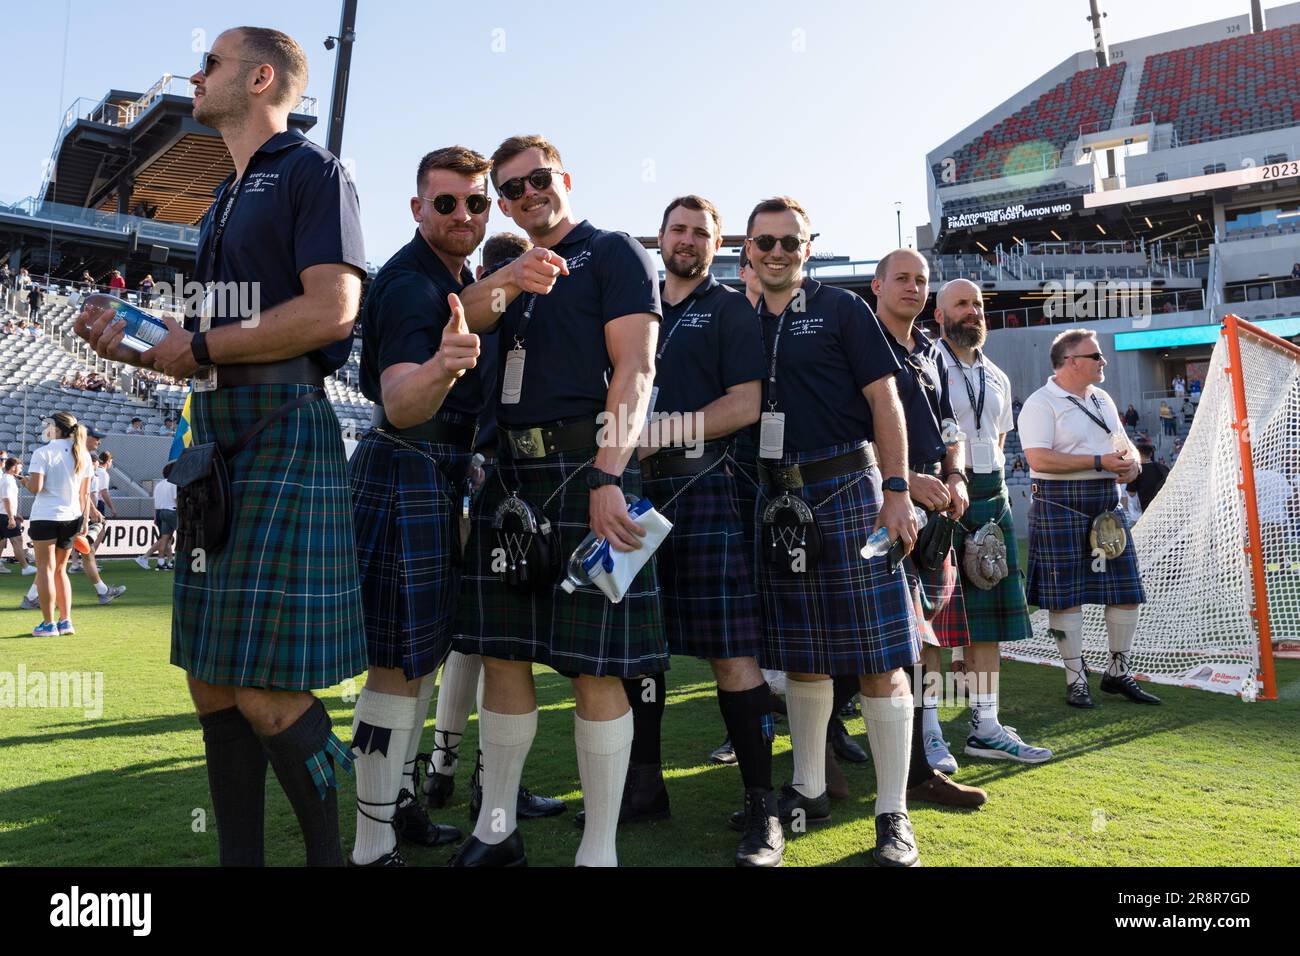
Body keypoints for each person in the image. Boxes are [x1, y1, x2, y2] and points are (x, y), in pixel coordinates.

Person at [77, 25, 368, 867]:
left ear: (262, 76)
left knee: (268, 692)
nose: (196, 77)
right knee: (211, 679)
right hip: (218, 434)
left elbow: (331, 312)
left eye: (209, 65)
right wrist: (137, 341)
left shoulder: (312, 172)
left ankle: (332, 858)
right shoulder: (221, 198)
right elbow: (211, 336)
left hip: (282, 431)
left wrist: (196, 347)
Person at [450, 134, 666, 868]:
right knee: (503, 656)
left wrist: (610, 475)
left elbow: (636, 371)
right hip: (512, 476)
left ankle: (597, 850)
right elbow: (463, 316)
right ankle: (495, 832)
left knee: (596, 668)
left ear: (563, 177)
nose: (525, 195)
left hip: (589, 468)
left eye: (536, 180)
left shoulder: (614, 254)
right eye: (509, 190)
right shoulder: (510, 272)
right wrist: (509, 275)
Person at [744, 196, 921, 867]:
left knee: (879, 660)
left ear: (808, 247)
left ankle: (893, 814)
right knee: (803, 654)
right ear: (750, 250)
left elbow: (886, 399)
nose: (779, 253)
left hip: (851, 490)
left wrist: (898, 491)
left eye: (791, 242)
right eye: (767, 243)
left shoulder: (843, 309)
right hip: (777, 501)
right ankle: (808, 790)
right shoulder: (740, 318)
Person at [602, 194, 777, 866]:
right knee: (640, 652)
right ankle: (643, 785)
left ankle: (762, 807)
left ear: (718, 243)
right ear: (661, 237)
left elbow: (745, 404)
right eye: (678, 229)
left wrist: (654, 435)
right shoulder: (632, 308)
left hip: (705, 492)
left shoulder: (730, 308)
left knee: (732, 653)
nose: (688, 240)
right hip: (637, 490)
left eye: (701, 233)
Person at [346, 144, 506, 866]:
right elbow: (401, 404)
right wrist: (444, 365)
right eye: (446, 202)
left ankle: (399, 805)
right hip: (408, 463)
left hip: (433, 473)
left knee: (419, 659)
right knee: (396, 664)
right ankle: (371, 843)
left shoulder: (453, 277)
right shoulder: (414, 284)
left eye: (477, 202)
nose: (463, 215)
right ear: (418, 208)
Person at [422, 231, 565, 828]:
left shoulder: (470, 305)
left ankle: (440, 770)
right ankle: (488, 785)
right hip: (504, 478)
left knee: (468, 640)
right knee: (501, 646)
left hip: (466, 474)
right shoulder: (516, 312)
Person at [872, 252, 990, 807]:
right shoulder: (857, 340)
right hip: (876, 506)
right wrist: (903, 479)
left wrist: (954, 473)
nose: (914, 288)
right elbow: (845, 427)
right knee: (872, 645)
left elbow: (949, 426)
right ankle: (818, 759)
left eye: (922, 281)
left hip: (932, 517)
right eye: (903, 279)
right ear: (878, 285)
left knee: (917, 647)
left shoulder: (930, 352)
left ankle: (918, 769)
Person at [935, 279, 1052, 765]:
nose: (973, 312)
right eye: (962, 304)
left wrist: (993, 488)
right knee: (930, 623)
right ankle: (927, 731)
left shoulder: (999, 376)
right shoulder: (928, 365)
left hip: (990, 494)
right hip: (941, 494)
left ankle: (984, 724)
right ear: (938, 314)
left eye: (978, 305)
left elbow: (999, 442)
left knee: (986, 627)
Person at [1018, 329, 1162, 708]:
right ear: (1072, 362)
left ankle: (1117, 672)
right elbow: (1039, 459)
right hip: (1058, 504)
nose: (1103, 362)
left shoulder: (1101, 398)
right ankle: (1076, 680)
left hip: (1105, 504)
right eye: (1095, 356)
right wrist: (1098, 462)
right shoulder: (1040, 403)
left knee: (1127, 593)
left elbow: (1120, 440)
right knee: (1066, 599)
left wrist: (1131, 464)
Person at [21, 412, 95, 636]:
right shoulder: (83, 454)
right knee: (60, 570)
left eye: (50, 424)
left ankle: (48, 623)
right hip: (72, 518)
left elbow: (36, 487)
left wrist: (25, 481)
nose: (47, 427)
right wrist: (84, 521)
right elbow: (85, 495)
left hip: (46, 516)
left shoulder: (43, 452)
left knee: (46, 568)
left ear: (59, 429)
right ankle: (66, 621)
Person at [137, 462, 177, 571]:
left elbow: (156, 502)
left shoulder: (159, 484)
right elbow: (176, 499)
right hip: (171, 511)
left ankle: (163, 561)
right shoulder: (174, 483)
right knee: (181, 534)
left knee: (165, 538)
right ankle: (146, 556)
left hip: (160, 512)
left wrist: (155, 516)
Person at [0, 457, 35, 574]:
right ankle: (25, 567)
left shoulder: (8, 479)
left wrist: (15, 514)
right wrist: (11, 518)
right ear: (13, 467)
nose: (21, 468)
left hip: (4, 514)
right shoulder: (8, 480)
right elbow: (6, 500)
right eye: (19, 466)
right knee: (17, 540)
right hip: (5, 516)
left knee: (1, 541)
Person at [1126, 441, 1169, 511]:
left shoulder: (1136, 470)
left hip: (1147, 509)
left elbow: (1131, 493)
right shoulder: (1163, 467)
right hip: (1165, 507)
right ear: (1151, 454)